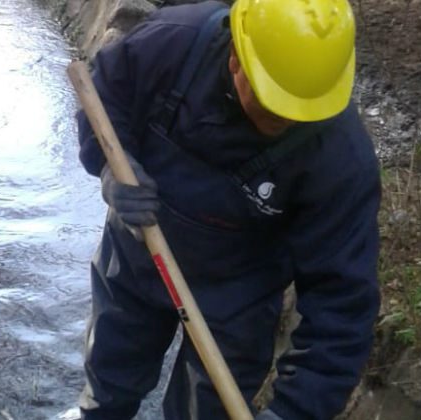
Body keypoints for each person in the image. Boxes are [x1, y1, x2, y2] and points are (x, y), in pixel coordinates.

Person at [75, 0, 381, 419]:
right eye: (272, 102)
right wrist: (112, 166)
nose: (285, 118)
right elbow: (105, 99)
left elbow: (342, 307)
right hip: (137, 256)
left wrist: (292, 413)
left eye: (298, 110)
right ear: (236, 57)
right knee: (107, 390)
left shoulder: (341, 160)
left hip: (238, 301)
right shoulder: (172, 43)